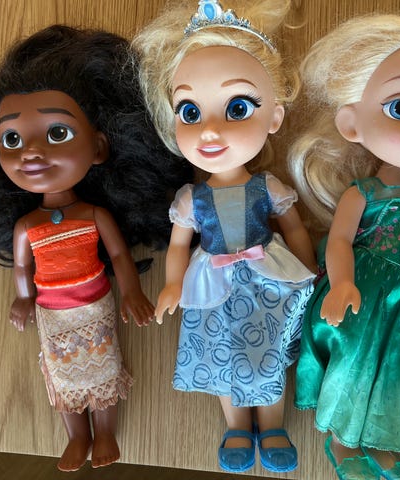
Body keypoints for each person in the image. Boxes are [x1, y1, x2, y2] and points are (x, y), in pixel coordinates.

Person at [0, 25, 193, 471]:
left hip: (94, 305)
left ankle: (104, 431)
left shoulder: (94, 215)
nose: (30, 152)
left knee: (104, 367)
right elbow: (22, 269)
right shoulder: (27, 225)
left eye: (56, 133)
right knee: (60, 373)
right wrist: (23, 297)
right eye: (12, 139)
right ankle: (76, 435)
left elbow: (120, 256)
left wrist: (131, 291)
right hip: (52, 313)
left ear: (100, 147)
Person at [133, 0, 316, 473]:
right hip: (211, 286)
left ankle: (271, 424)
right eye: (190, 111)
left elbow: (295, 228)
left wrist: (310, 271)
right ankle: (236, 425)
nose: (210, 130)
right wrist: (172, 285)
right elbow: (179, 245)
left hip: (268, 281)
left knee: (270, 353)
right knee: (222, 354)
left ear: (274, 117)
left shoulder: (267, 187)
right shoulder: (190, 199)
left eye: (237, 108)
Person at [288, 14, 400, 480]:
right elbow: (339, 240)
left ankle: (389, 442)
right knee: (356, 359)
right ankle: (343, 440)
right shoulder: (364, 193)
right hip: (366, 291)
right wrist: (342, 283)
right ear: (352, 124)